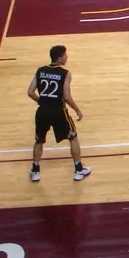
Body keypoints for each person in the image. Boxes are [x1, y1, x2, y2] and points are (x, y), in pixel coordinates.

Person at [27, 45, 90, 182]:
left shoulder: (40, 70)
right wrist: (77, 109)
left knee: (39, 140)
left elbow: (30, 92)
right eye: (65, 55)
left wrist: (41, 101)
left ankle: (35, 171)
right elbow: (67, 97)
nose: (67, 57)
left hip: (42, 111)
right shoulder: (65, 73)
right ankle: (79, 170)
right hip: (58, 111)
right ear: (60, 59)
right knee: (73, 137)